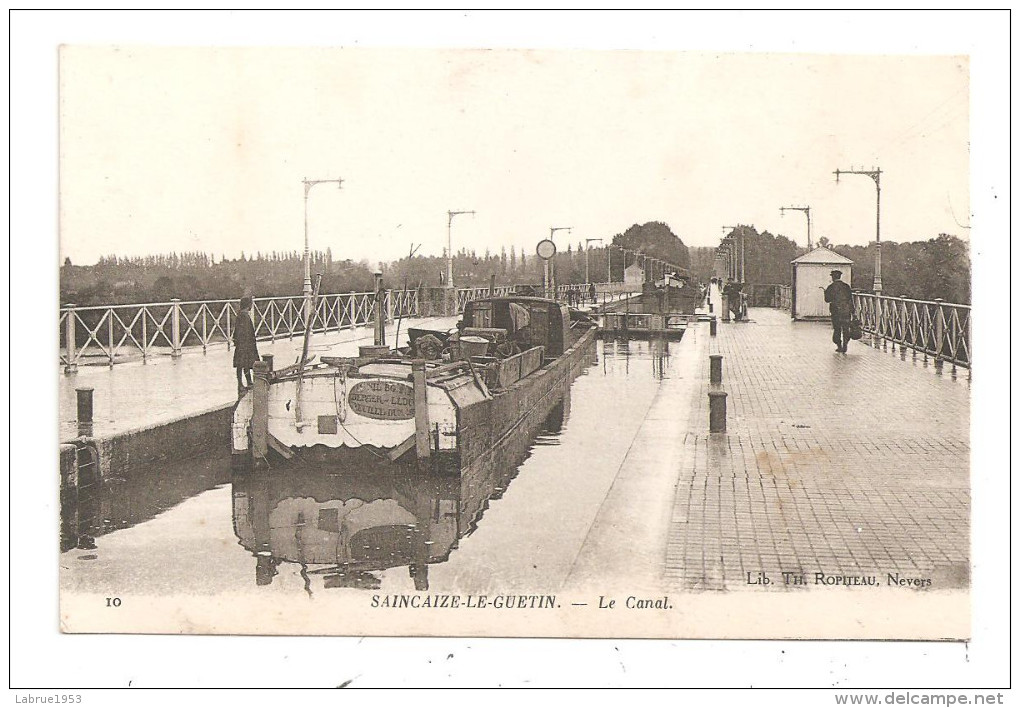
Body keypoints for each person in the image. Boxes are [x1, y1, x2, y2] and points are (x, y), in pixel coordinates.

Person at [233, 296, 260, 395]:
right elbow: (245, 331)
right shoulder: (244, 316)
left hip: (241, 344)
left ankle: (245, 382)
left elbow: (237, 331)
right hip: (245, 344)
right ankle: (243, 383)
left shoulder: (240, 315)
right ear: (248, 305)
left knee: (242, 364)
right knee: (244, 364)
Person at [823, 270, 854, 353]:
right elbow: (850, 299)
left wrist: (825, 293)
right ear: (840, 277)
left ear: (833, 277)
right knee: (846, 328)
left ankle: (839, 346)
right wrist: (852, 311)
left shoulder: (831, 287)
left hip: (835, 311)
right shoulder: (846, 286)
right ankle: (845, 345)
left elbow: (827, 300)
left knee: (837, 329)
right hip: (846, 310)